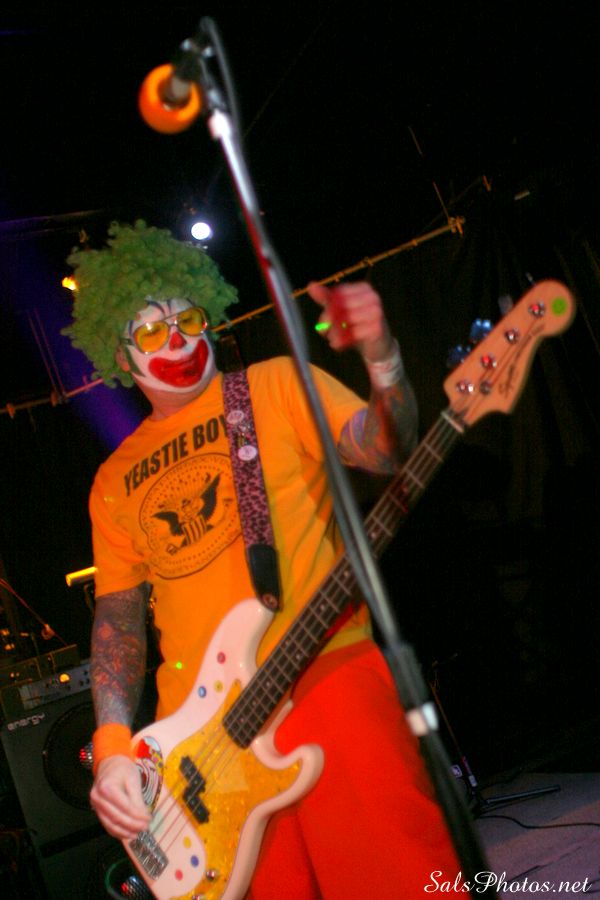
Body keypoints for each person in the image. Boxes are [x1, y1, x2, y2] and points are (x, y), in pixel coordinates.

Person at [64, 221, 461, 898]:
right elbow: (118, 620)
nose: (178, 342)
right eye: (151, 332)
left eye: (188, 320)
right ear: (120, 356)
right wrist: (111, 751)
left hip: (323, 675)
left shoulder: (273, 385)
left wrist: (385, 361)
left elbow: (385, 450)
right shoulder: (113, 479)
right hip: (202, 751)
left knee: (400, 877)